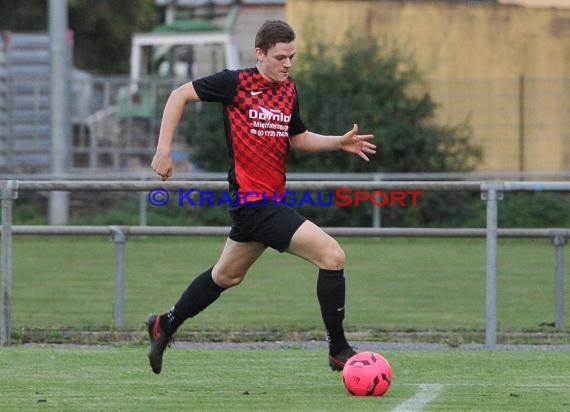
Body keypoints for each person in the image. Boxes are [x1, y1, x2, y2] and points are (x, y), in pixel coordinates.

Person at [147, 19, 376, 374]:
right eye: (281, 57)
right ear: (260, 53)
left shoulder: (289, 90)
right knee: (332, 255)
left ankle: (165, 324)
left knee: (226, 276)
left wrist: (338, 142)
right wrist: (164, 150)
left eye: (292, 57)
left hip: (267, 203)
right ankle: (338, 349)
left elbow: (297, 139)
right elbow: (180, 95)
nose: (287, 64)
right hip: (254, 203)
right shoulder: (235, 83)